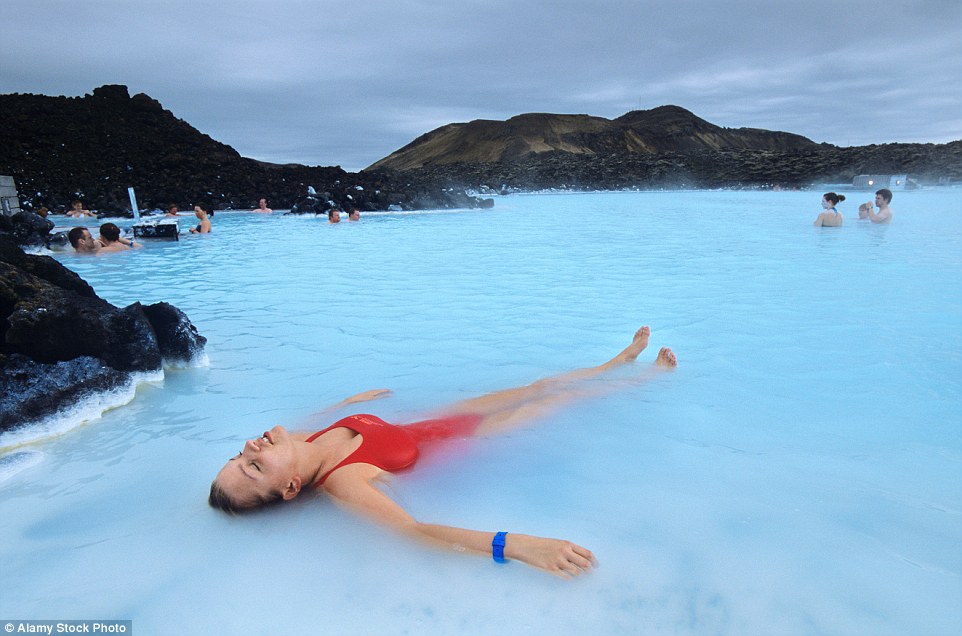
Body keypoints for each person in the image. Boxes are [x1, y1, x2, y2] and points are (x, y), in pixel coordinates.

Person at [209, 326, 678, 578]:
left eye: (240, 453)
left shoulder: (302, 439)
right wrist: (514, 545)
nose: (251, 446)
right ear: (291, 488)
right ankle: (646, 379)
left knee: (540, 384)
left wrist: (354, 402)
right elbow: (414, 531)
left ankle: (616, 362)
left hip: (445, 415)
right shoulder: (344, 482)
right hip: (470, 438)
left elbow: (325, 413)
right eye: (253, 466)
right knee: (558, 400)